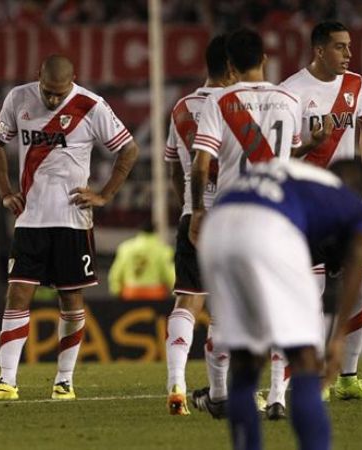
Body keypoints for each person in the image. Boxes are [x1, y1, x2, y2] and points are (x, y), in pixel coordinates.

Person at [0, 54, 139, 401]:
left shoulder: (91, 106)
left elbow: (128, 149)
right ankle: (7, 381)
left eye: (59, 93)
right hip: (31, 218)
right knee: (17, 294)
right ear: (39, 78)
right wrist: (5, 191)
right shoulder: (19, 98)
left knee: (71, 299)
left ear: (73, 80)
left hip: (72, 221)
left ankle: (64, 381)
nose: (52, 99)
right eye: (48, 92)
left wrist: (105, 194)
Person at [198, 158, 362, 450]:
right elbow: (359, 253)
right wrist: (339, 337)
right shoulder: (348, 200)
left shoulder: (294, 174)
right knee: (305, 358)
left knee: (245, 361)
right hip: (268, 228)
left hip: (216, 228)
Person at [187, 28, 305, 419]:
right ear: (265, 60)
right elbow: (289, 153)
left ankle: (220, 395)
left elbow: (201, 163)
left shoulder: (218, 101)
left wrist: (197, 211)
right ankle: (276, 397)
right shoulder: (290, 100)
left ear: (231, 67)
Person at [279, 19, 362, 408]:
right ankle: (293, 379)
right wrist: (312, 143)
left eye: (349, 47)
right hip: (305, 208)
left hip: (343, 205)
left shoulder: (356, 86)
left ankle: (348, 378)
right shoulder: (290, 93)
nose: (348, 55)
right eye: (341, 47)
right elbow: (279, 157)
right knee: (311, 294)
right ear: (319, 50)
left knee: (359, 291)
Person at [162, 33, 236, 416]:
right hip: (232, 216)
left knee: (187, 300)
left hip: (194, 213)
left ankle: (176, 382)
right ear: (231, 67)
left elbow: (176, 167)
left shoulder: (181, 107)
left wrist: (188, 207)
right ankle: (223, 390)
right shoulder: (237, 105)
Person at [108, 220, 175, 301]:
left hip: (131, 293)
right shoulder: (163, 250)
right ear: (155, 231)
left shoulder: (126, 248)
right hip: (155, 294)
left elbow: (116, 272)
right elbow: (169, 274)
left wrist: (116, 290)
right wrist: (175, 292)